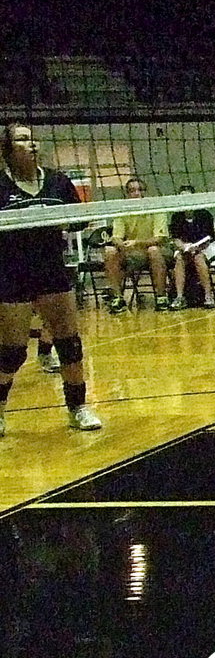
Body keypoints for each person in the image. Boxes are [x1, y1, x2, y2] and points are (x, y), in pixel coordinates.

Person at [0, 123, 102, 435]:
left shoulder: (58, 181)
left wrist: (68, 221)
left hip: (51, 269)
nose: (31, 144)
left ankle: (78, 408)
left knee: (69, 344)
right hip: (12, 272)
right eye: (22, 139)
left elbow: (79, 220)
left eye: (32, 138)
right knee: (12, 352)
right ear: (7, 148)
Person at [102, 176, 171, 312]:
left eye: (140, 190)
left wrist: (137, 242)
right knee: (110, 251)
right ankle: (118, 298)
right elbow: (116, 237)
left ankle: (161, 298)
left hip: (158, 251)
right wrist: (121, 245)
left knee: (153, 250)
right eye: (132, 191)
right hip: (133, 253)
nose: (137, 193)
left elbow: (160, 238)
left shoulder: (156, 208)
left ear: (145, 192)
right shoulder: (122, 210)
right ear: (127, 194)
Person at [168, 184, 215, 309]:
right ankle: (179, 297)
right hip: (186, 249)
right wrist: (184, 247)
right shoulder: (176, 217)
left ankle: (208, 296)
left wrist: (196, 249)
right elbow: (176, 239)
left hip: (206, 247)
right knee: (179, 259)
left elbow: (208, 239)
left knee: (199, 258)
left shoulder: (204, 214)